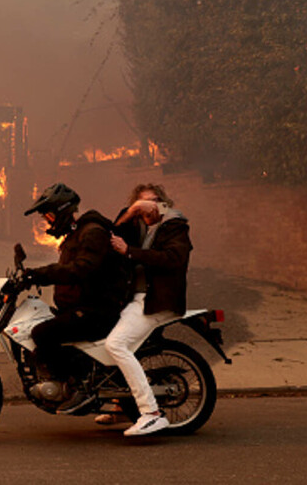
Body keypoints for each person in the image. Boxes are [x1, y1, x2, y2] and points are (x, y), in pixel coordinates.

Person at [24, 183, 127, 414]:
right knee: (42, 330)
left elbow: (80, 269)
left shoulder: (92, 232)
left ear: (62, 210)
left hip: (98, 310)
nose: (49, 221)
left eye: (50, 215)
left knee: (42, 333)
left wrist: (40, 274)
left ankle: (82, 387)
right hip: (83, 307)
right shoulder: (77, 234)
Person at [105, 183, 192, 436]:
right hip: (138, 298)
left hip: (157, 300)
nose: (148, 207)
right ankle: (124, 405)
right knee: (104, 340)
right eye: (142, 204)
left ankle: (151, 414)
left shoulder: (175, 226)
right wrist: (130, 213)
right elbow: (112, 235)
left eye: (153, 201)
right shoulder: (139, 225)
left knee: (116, 345)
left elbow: (173, 259)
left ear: (163, 203)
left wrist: (130, 252)